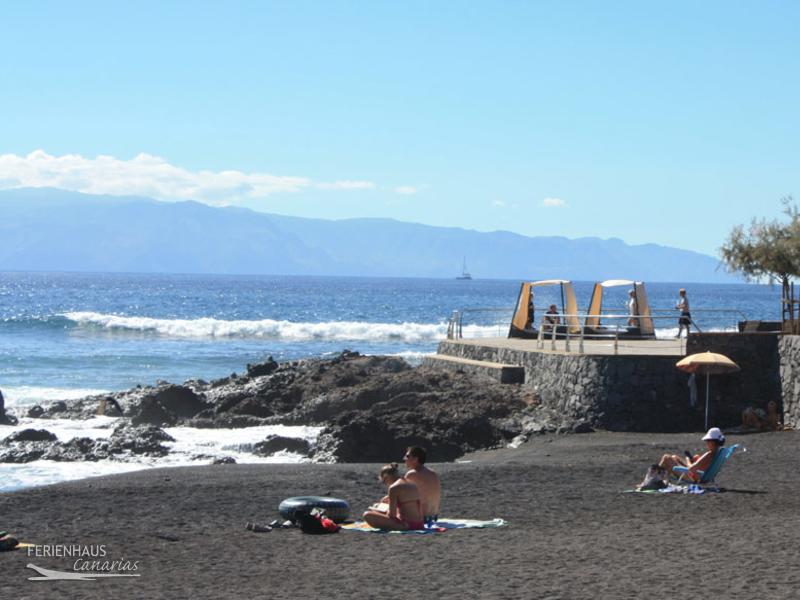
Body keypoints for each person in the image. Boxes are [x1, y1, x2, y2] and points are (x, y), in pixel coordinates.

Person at [363, 463, 425, 531]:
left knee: (367, 515)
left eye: (384, 481)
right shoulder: (411, 483)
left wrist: (380, 511)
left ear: (386, 477)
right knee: (377, 506)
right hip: (420, 524)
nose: (386, 484)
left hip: (406, 525)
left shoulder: (394, 488)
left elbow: (392, 515)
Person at [657, 427, 725, 483]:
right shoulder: (718, 453)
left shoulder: (709, 454)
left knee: (666, 458)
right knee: (674, 457)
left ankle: (656, 479)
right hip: (700, 475)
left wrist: (688, 460)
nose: (706, 443)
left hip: (692, 477)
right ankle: (664, 481)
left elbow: (691, 469)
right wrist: (697, 460)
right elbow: (705, 466)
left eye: (707, 441)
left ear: (712, 442)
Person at [403, 446, 441, 526]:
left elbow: (399, 494)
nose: (404, 458)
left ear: (415, 459)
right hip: (433, 517)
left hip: (420, 519)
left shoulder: (412, 474)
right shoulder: (432, 473)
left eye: (407, 456)